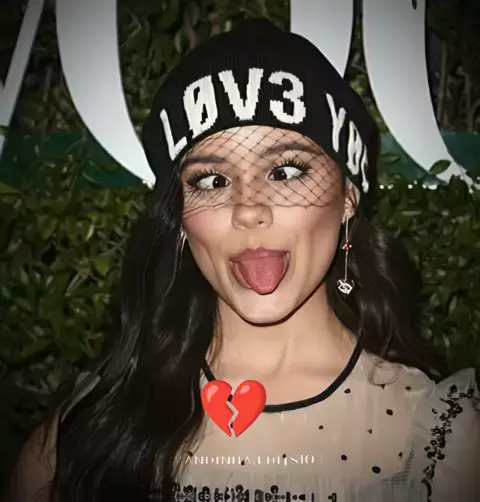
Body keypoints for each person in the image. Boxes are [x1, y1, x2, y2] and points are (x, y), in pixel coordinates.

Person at [7, 18, 480, 502]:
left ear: (347, 198)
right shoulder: (88, 428)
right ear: (180, 217)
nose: (248, 209)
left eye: (286, 171)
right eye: (211, 180)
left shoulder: (436, 438)